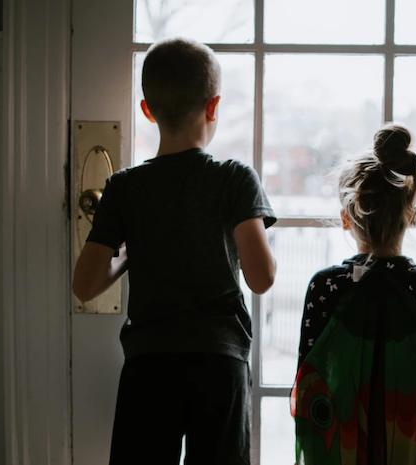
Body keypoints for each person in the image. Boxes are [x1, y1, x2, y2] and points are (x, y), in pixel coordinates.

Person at [72, 37, 277, 465]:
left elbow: (86, 284)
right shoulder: (235, 179)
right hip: (219, 362)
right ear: (213, 106)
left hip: (151, 364)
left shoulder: (125, 187)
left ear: (148, 110)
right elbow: (262, 278)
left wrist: (131, 253)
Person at [291, 124, 416, 465]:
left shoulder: (326, 288)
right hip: (410, 449)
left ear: (345, 218)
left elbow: (308, 389)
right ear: (411, 213)